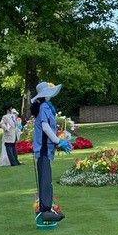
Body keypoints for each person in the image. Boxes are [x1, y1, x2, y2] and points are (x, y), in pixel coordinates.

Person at [30, 81, 70, 225]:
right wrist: (59, 142)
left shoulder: (42, 107)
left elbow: (48, 129)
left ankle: (46, 208)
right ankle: (46, 210)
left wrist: (60, 139)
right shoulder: (45, 107)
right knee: (46, 180)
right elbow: (46, 128)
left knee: (45, 180)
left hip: (43, 150)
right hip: (44, 151)